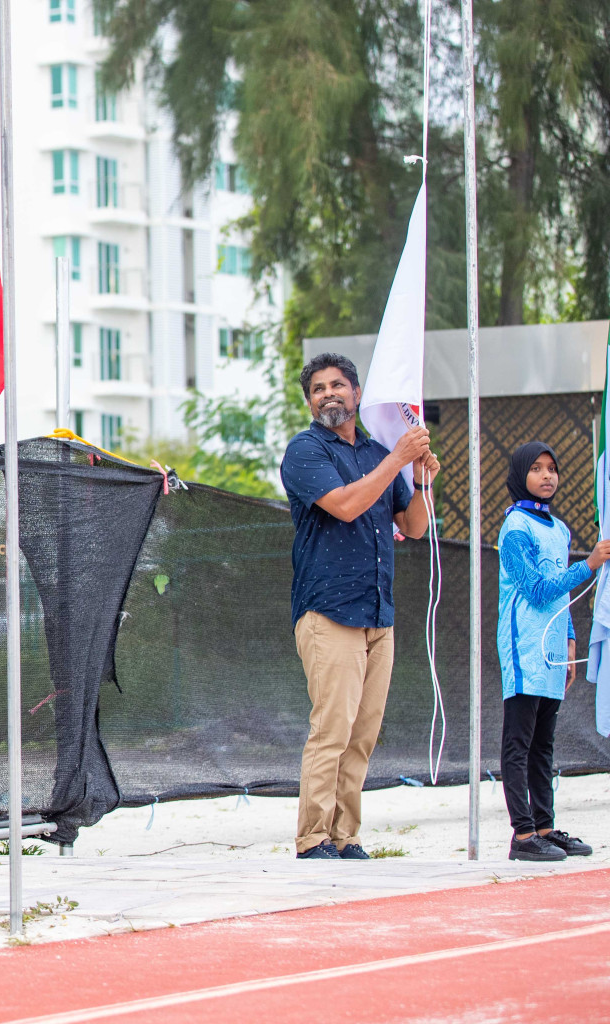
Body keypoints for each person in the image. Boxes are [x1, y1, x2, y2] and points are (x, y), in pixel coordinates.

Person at [279, 352, 439, 861]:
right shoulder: (305, 451)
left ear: (356, 393)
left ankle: (346, 836)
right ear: (309, 401)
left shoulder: (376, 452)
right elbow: (346, 505)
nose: (329, 394)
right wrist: (397, 458)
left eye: (338, 385)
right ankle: (312, 839)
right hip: (329, 611)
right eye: (318, 388)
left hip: (377, 613)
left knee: (363, 734)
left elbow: (413, 527)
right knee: (332, 729)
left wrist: (424, 477)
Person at [495, 441, 606, 861]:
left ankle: (544, 826)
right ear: (520, 474)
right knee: (519, 742)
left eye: (552, 469)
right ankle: (522, 836)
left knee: (544, 744)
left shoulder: (558, 529)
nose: (547, 476)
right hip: (525, 646)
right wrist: (589, 565)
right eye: (537, 468)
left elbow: (560, 594)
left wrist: (571, 637)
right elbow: (538, 590)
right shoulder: (515, 529)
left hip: (553, 649)